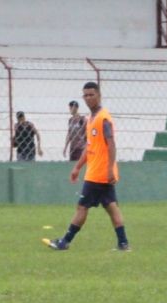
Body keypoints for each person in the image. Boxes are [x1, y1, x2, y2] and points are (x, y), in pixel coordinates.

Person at [45, 81, 129, 252]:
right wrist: (77, 167)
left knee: (82, 207)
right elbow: (90, 147)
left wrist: (109, 169)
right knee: (111, 206)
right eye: (86, 95)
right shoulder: (91, 119)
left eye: (92, 94)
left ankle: (65, 242)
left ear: (99, 95)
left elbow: (111, 144)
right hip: (97, 171)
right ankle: (123, 243)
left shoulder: (103, 118)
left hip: (99, 174)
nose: (89, 98)